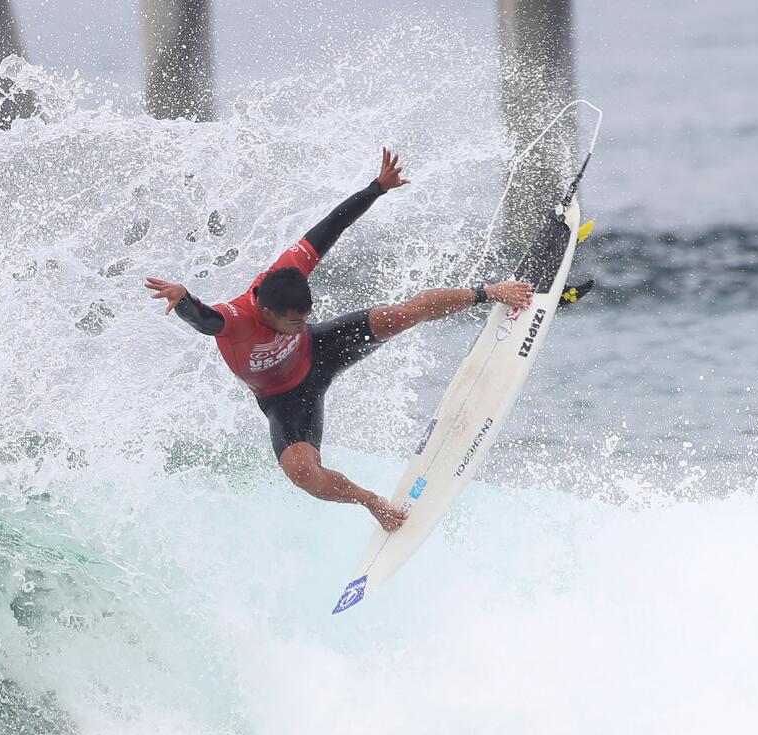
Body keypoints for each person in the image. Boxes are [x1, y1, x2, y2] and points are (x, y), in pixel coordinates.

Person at [145, 148, 533, 532]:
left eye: (306, 317)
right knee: (302, 472)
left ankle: (489, 292)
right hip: (284, 398)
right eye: (294, 322)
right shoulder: (237, 319)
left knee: (401, 313)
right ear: (266, 313)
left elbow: (333, 224)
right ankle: (371, 501)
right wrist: (184, 301)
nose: (301, 323)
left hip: (321, 349)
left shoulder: (288, 271)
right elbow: (205, 321)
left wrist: (377, 188)